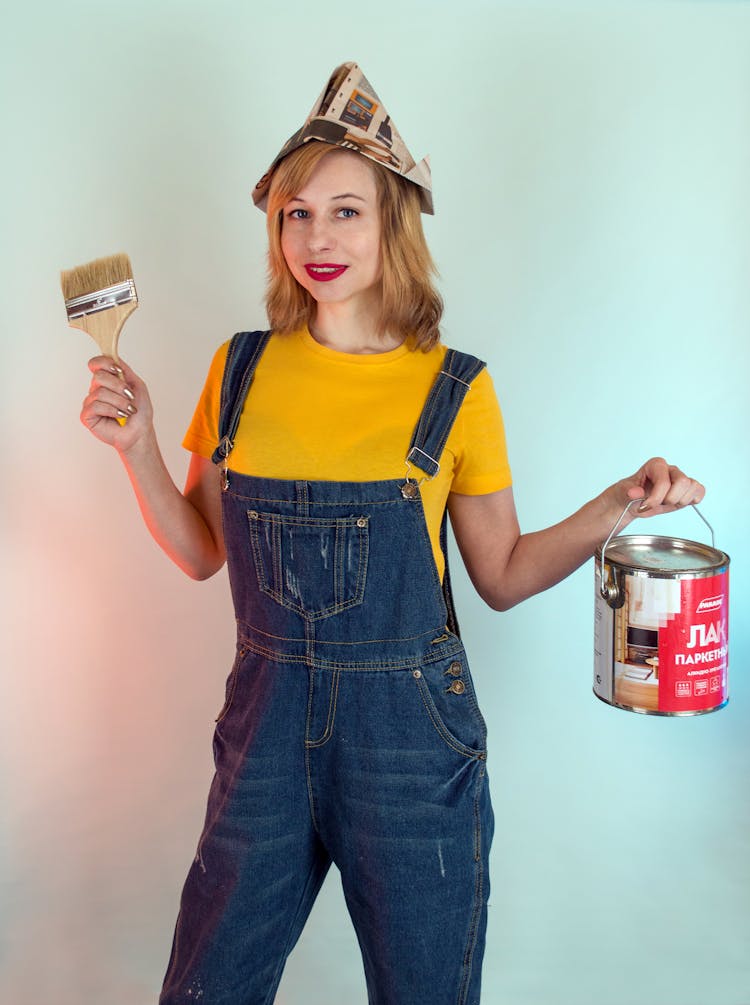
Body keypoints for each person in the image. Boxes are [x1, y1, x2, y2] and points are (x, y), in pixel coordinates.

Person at [80, 63, 704, 1005]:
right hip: (264, 736)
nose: (317, 237)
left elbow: (499, 570)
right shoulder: (239, 370)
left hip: (411, 747)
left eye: (346, 211)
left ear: (391, 226)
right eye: (296, 212)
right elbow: (203, 551)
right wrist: (135, 449)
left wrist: (620, 498)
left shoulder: (455, 387)